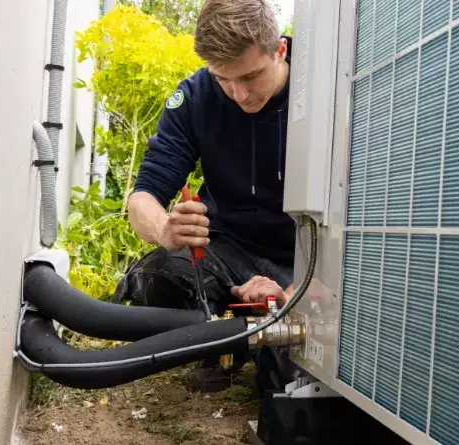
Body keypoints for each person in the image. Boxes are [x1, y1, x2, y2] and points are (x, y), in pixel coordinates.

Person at [118, 0, 298, 394]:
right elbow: (142, 197)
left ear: (279, 50)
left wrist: (289, 294)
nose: (239, 95)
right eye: (223, 80)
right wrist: (165, 227)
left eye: (251, 77)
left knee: (294, 372)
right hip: (226, 247)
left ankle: (256, 342)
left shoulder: (326, 86)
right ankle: (219, 346)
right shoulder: (196, 97)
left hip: (305, 258)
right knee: (159, 276)